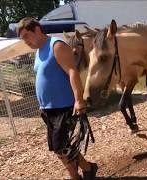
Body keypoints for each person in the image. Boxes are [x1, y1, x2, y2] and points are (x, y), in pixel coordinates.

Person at [17, 17, 97, 180]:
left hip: (65, 106)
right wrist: (42, 104)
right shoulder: (39, 51)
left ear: (37, 30)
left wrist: (79, 99)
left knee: (60, 148)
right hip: (48, 109)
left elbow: (72, 72)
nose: (25, 41)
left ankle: (76, 177)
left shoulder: (57, 45)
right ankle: (88, 168)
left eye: (26, 36)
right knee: (62, 147)